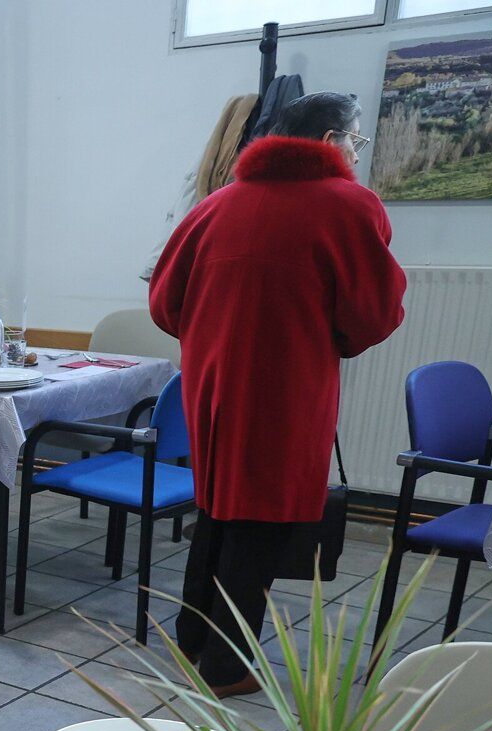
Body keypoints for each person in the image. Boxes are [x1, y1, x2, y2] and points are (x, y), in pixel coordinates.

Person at [150, 92, 405, 697]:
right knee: (261, 522)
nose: (356, 154)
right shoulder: (349, 205)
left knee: (218, 510)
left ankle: (192, 641)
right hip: (286, 390)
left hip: (212, 386)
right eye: (355, 140)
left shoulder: (217, 205)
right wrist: (328, 338)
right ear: (329, 142)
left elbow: (163, 302)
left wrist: (215, 338)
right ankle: (226, 668)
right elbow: (373, 312)